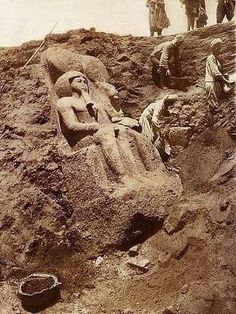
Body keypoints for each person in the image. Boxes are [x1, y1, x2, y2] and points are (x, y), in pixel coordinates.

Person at [139, 94, 179, 160]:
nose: (172, 104)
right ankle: (147, 155)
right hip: (146, 119)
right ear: (168, 101)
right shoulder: (160, 105)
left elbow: (165, 112)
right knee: (148, 137)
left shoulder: (164, 105)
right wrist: (158, 130)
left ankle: (153, 153)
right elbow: (154, 120)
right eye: (171, 102)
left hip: (151, 120)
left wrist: (171, 113)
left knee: (154, 136)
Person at [205, 38, 234, 125]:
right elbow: (215, 73)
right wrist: (226, 81)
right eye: (216, 46)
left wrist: (225, 76)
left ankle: (216, 125)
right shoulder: (210, 58)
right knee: (212, 106)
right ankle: (211, 129)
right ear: (212, 48)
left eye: (219, 47)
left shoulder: (217, 59)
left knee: (216, 104)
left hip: (216, 83)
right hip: (211, 83)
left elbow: (220, 72)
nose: (218, 48)